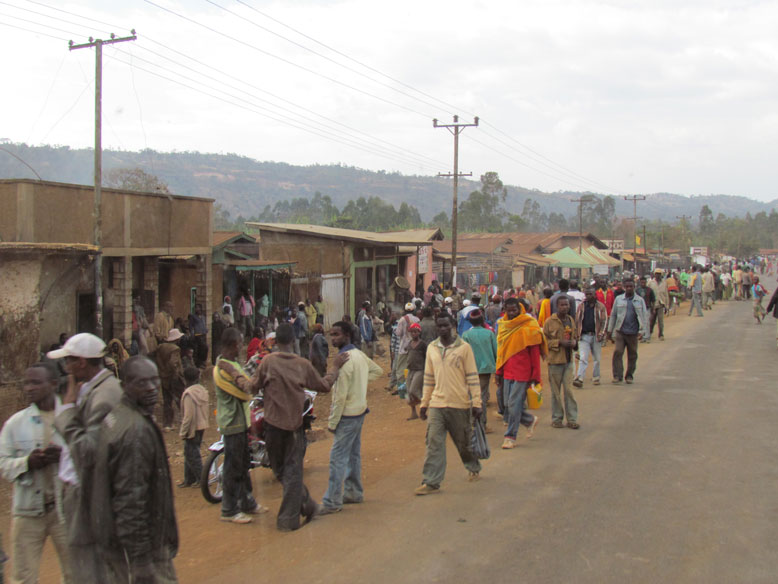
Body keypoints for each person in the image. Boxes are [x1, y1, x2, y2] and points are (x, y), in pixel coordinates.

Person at [243, 324, 346, 531]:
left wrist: (236, 376)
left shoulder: (268, 362)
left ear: (275, 341)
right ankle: (296, 514)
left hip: (272, 426)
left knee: (282, 470)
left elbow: (252, 386)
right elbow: (324, 386)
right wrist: (335, 367)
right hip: (293, 427)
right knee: (291, 472)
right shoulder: (302, 365)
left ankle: (298, 512)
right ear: (293, 340)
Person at [91, 356, 178, 583]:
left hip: (121, 542)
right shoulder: (135, 431)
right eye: (141, 383)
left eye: (154, 380)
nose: (151, 388)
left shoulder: (117, 416)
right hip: (146, 547)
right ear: (125, 385)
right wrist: (141, 561)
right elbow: (131, 500)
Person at [49, 333, 123, 583]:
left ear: (81, 362)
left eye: (68, 361)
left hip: (86, 491)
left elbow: (87, 452)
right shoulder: (94, 388)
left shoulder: (103, 396)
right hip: (83, 488)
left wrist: (67, 410)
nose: (65, 367)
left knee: (87, 564)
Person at [0, 362, 72, 584]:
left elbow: (90, 457)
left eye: (36, 383)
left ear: (53, 384)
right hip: (28, 511)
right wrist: (27, 463)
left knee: (76, 574)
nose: (29, 388)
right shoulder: (15, 424)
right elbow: (3, 463)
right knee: (23, 577)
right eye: (27, 383)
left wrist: (65, 457)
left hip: (65, 510)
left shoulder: (71, 419)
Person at [415, 314, 482, 495]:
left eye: (446, 325)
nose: (443, 329)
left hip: (459, 403)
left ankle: (473, 466)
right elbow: (429, 377)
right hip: (437, 403)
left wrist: (477, 402)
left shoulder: (464, 348)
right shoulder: (432, 348)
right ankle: (431, 481)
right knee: (433, 442)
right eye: (440, 326)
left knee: (463, 443)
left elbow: (472, 376)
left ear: (452, 325)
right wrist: (424, 403)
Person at [320, 321, 383, 514]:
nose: (333, 338)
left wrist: (332, 422)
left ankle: (332, 501)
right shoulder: (359, 355)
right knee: (353, 454)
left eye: (336, 334)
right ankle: (353, 492)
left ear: (347, 335)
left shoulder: (343, 361)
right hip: (359, 412)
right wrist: (360, 383)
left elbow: (339, 397)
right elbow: (377, 371)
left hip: (347, 415)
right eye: (331, 334)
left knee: (337, 458)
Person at [213, 328, 268, 524]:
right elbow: (245, 393)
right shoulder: (221, 370)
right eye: (240, 343)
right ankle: (229, 509)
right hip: (232, 423)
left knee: (244, 465)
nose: (242, 346)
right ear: (233, 345)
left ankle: (247, 502)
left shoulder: (233, 365)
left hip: (242, 422)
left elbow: (247, 384)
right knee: (233, 467)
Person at [495, 298, 545, 449]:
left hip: (523, 373)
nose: (511, 313)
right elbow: (501, 352)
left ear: (520, 309)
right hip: (507, 371)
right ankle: (529, 420)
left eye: (514, 310)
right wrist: (498, 372)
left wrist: (535, 376)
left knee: (513, 404)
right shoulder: (503, 326)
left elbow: (535, 355)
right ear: (504, 310)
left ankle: (510, 437)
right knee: (507, 404)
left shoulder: (529, 326)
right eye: (508, 310)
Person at [543, 297, 580, 429]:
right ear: (556, 306)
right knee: (556, 393)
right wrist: (559, 342)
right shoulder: (549, 322)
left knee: (569, 391)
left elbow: (575, 337)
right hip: (555, 361)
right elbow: (544, 342)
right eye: (562, 305)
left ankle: (572, 419)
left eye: (567, 305)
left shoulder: (570, 320)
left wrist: (574, 343)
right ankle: (557, 418)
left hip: (568, 361)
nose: (565, 307)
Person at [607, 278, 649, 384]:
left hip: (633, 333)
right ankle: (617, 376)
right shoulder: (619, 299)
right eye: (627, 286)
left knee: (632, 355)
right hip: (620, 331)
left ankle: (629, 375)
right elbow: (613, 315)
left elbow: (644, 316)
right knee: (618, 352)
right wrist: (610, 330)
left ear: (634, 287)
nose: (629, 288)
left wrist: (643, 331)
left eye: (631, 286)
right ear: (624, 287)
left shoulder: (639, 300)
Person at [462, 309, 497, 432]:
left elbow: (463, 354)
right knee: (481, 396)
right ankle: (482, 424)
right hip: (485, 370)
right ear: (482, 320)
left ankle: (472, 423)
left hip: (470, 370)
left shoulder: (466, 335)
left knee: (471, 396)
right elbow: (496, 351)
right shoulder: (489, 333)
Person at [178, 367, 209, 488]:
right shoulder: (202, 391)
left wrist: (183, 431)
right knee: (190, 452)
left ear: (185, 379)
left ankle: (201, 478)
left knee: (192, 454)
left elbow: (188, 416)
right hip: (201, 425)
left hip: (192, 427)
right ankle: (189, 479)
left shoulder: (188, 394)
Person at [573, 287, 607, 388]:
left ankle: (596, 377)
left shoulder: (601, 306)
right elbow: (577, 321)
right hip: (584, 336)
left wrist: (601, 333)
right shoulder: (581, 306)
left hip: (596, 336)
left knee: (597, 359)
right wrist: (576, 334)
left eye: (590, 294)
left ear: (594, 295)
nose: (588, 296)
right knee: (583, 358)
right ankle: (580, 378)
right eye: (587, 294)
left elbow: (604, 321)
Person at [156, 329, 186, 431]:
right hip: (173, 378)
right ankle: (185, 420)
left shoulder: (161, 347)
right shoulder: (175, 349)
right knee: (180, 399)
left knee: (167, 401)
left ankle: (167, 424)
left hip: (163, 377)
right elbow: (174, 363)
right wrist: (177, 373)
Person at [405, 323, 427, 421]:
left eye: (415, 332)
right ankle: (413, 412)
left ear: (419, 332)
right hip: (410, 370)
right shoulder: (409, 344)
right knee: (408, 393)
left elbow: (426, 357)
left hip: (420, 370)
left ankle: (425, 405)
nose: (413, 334)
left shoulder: (423, 344)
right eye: (412, 332)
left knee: (413, 390)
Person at [648, 270, 669, 340]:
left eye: (659, 274)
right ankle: (649, 333)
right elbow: (648, 293)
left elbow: (666, 294)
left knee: (660, 320)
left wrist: (667, 306)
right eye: (656, 274)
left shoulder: (664, 283)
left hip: (661, 303)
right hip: (653, 304)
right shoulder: (650, 283)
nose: (658, 275)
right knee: (652, 320)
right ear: (654, 274)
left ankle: (661, 334)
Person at [187, 303, 209, 368]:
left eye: (198, 308)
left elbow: (203, 324)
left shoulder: (203, 317)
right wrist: (192, 334)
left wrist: (205, 329)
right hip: (197, 335)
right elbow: (191, 326)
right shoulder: (193, 317)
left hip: (203, 335)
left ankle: (202, 362)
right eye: (196, 308)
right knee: (200, 348)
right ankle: (198, 364)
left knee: (203, 349)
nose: (197, 309)